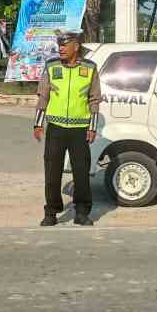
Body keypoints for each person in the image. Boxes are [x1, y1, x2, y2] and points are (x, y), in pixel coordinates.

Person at [33, 31, 102, 226]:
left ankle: (81, 212)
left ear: (76, 46)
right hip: (55, 128)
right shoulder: (52, 66)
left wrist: (93, 127)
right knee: (52, 172)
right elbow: (43, 96)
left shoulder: (90, 68)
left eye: (65, 45)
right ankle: (51, 212)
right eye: (59, 45)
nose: (61, 48)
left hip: (80, 129)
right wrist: (38, 123)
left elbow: (94, 99)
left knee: (81, 173)